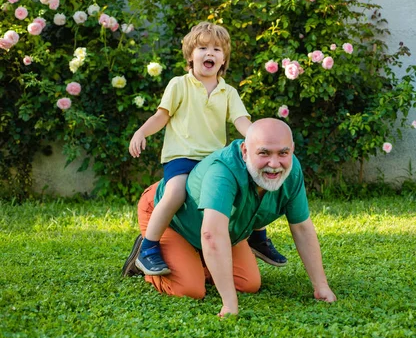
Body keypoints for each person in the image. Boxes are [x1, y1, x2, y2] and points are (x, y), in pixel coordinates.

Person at [122, 119, 336, 316]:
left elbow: (302, 229)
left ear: (292, 150)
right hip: (172, 218)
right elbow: (212, 235)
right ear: (245, 151)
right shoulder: (223, 171)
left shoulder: (292, 172)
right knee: (190, 289)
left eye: (283, 153)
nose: (274, 163)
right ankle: (146, 253)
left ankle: (198, 259)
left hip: (223, 228)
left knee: (249, 283)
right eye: (263, 153)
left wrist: (321, 286)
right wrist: (230, 304)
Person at [128, 22, 286, 277]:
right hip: (183, 157)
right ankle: (148, 248)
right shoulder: (179, 84)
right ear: (191, 55)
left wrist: (262, 138)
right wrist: (141, 132)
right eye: (202, 48)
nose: (209, 53)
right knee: (176, 192)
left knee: (253, 183)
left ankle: (257, 237)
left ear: (223, 60)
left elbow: (242, 122)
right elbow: (161, 116)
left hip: (214, 160)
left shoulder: (228, 92)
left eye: (216, 49)